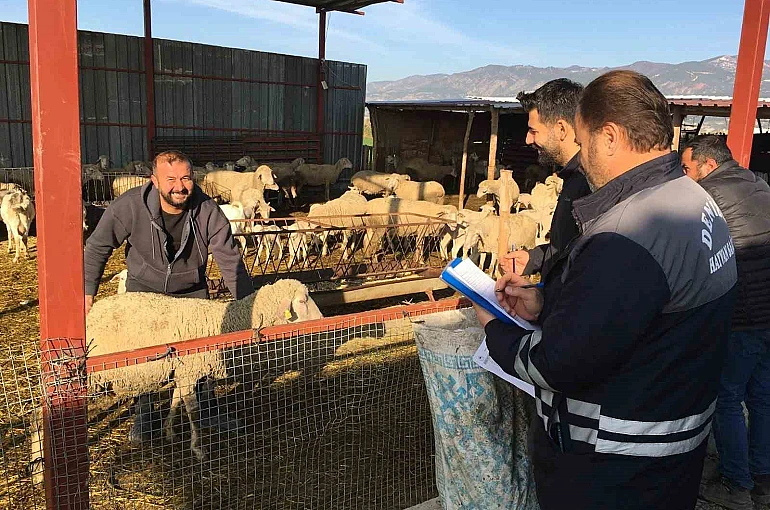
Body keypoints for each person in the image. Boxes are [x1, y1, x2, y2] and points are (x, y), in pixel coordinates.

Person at [473, 70, 737, 510]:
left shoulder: (627, 234)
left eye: (584, 139)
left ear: (609, 137)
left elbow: (559, 365)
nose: (582, 153)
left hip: (614, 472)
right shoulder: (693, 200)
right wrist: (548, 301)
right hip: (672, 454)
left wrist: (493, 328)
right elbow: (646, 313)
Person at [681, 135, 770, 510]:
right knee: (763, 397)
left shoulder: (707, 198)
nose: (685, 177)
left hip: (743, 314)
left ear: (707, 164)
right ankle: (762, 478)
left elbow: (693, 259)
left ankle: (736, 485)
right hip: (769, 314)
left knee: (728, 398)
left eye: (687, 169)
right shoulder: (758, 184)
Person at [84, 150, 253, 313]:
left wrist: (247, 305)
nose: (179, 187)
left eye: (185, 178)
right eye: (171, 179)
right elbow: (98, 246)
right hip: (142, 295)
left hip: (191, 297)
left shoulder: (208, 211)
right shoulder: (130, 206)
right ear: (155, 181)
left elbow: (230, 260)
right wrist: (87, 293)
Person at [502, 79, 591, 280]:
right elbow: (567, 247)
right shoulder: (572, 177)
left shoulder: (589, 183)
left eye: (534, 131)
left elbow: (586, 267)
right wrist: (534, 259)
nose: (528, 140)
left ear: (561, 129)